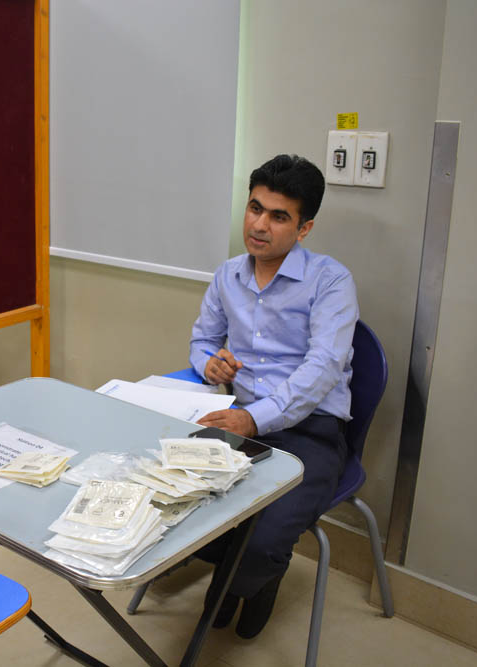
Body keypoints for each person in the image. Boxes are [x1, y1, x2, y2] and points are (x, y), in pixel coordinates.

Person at [189, 154, 357, 638]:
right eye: (255, 208)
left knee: (262, 544)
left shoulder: (331, 281)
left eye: (278, 216)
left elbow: (322, 367)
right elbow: (203, 341)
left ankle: (251, 582)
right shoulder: (228, 275)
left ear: (304, 229)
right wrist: (210, 363)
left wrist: (255, 419)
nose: (259, 225)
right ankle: (235, 580)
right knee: (180, 510)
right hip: (239, 419)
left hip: (311, 431)